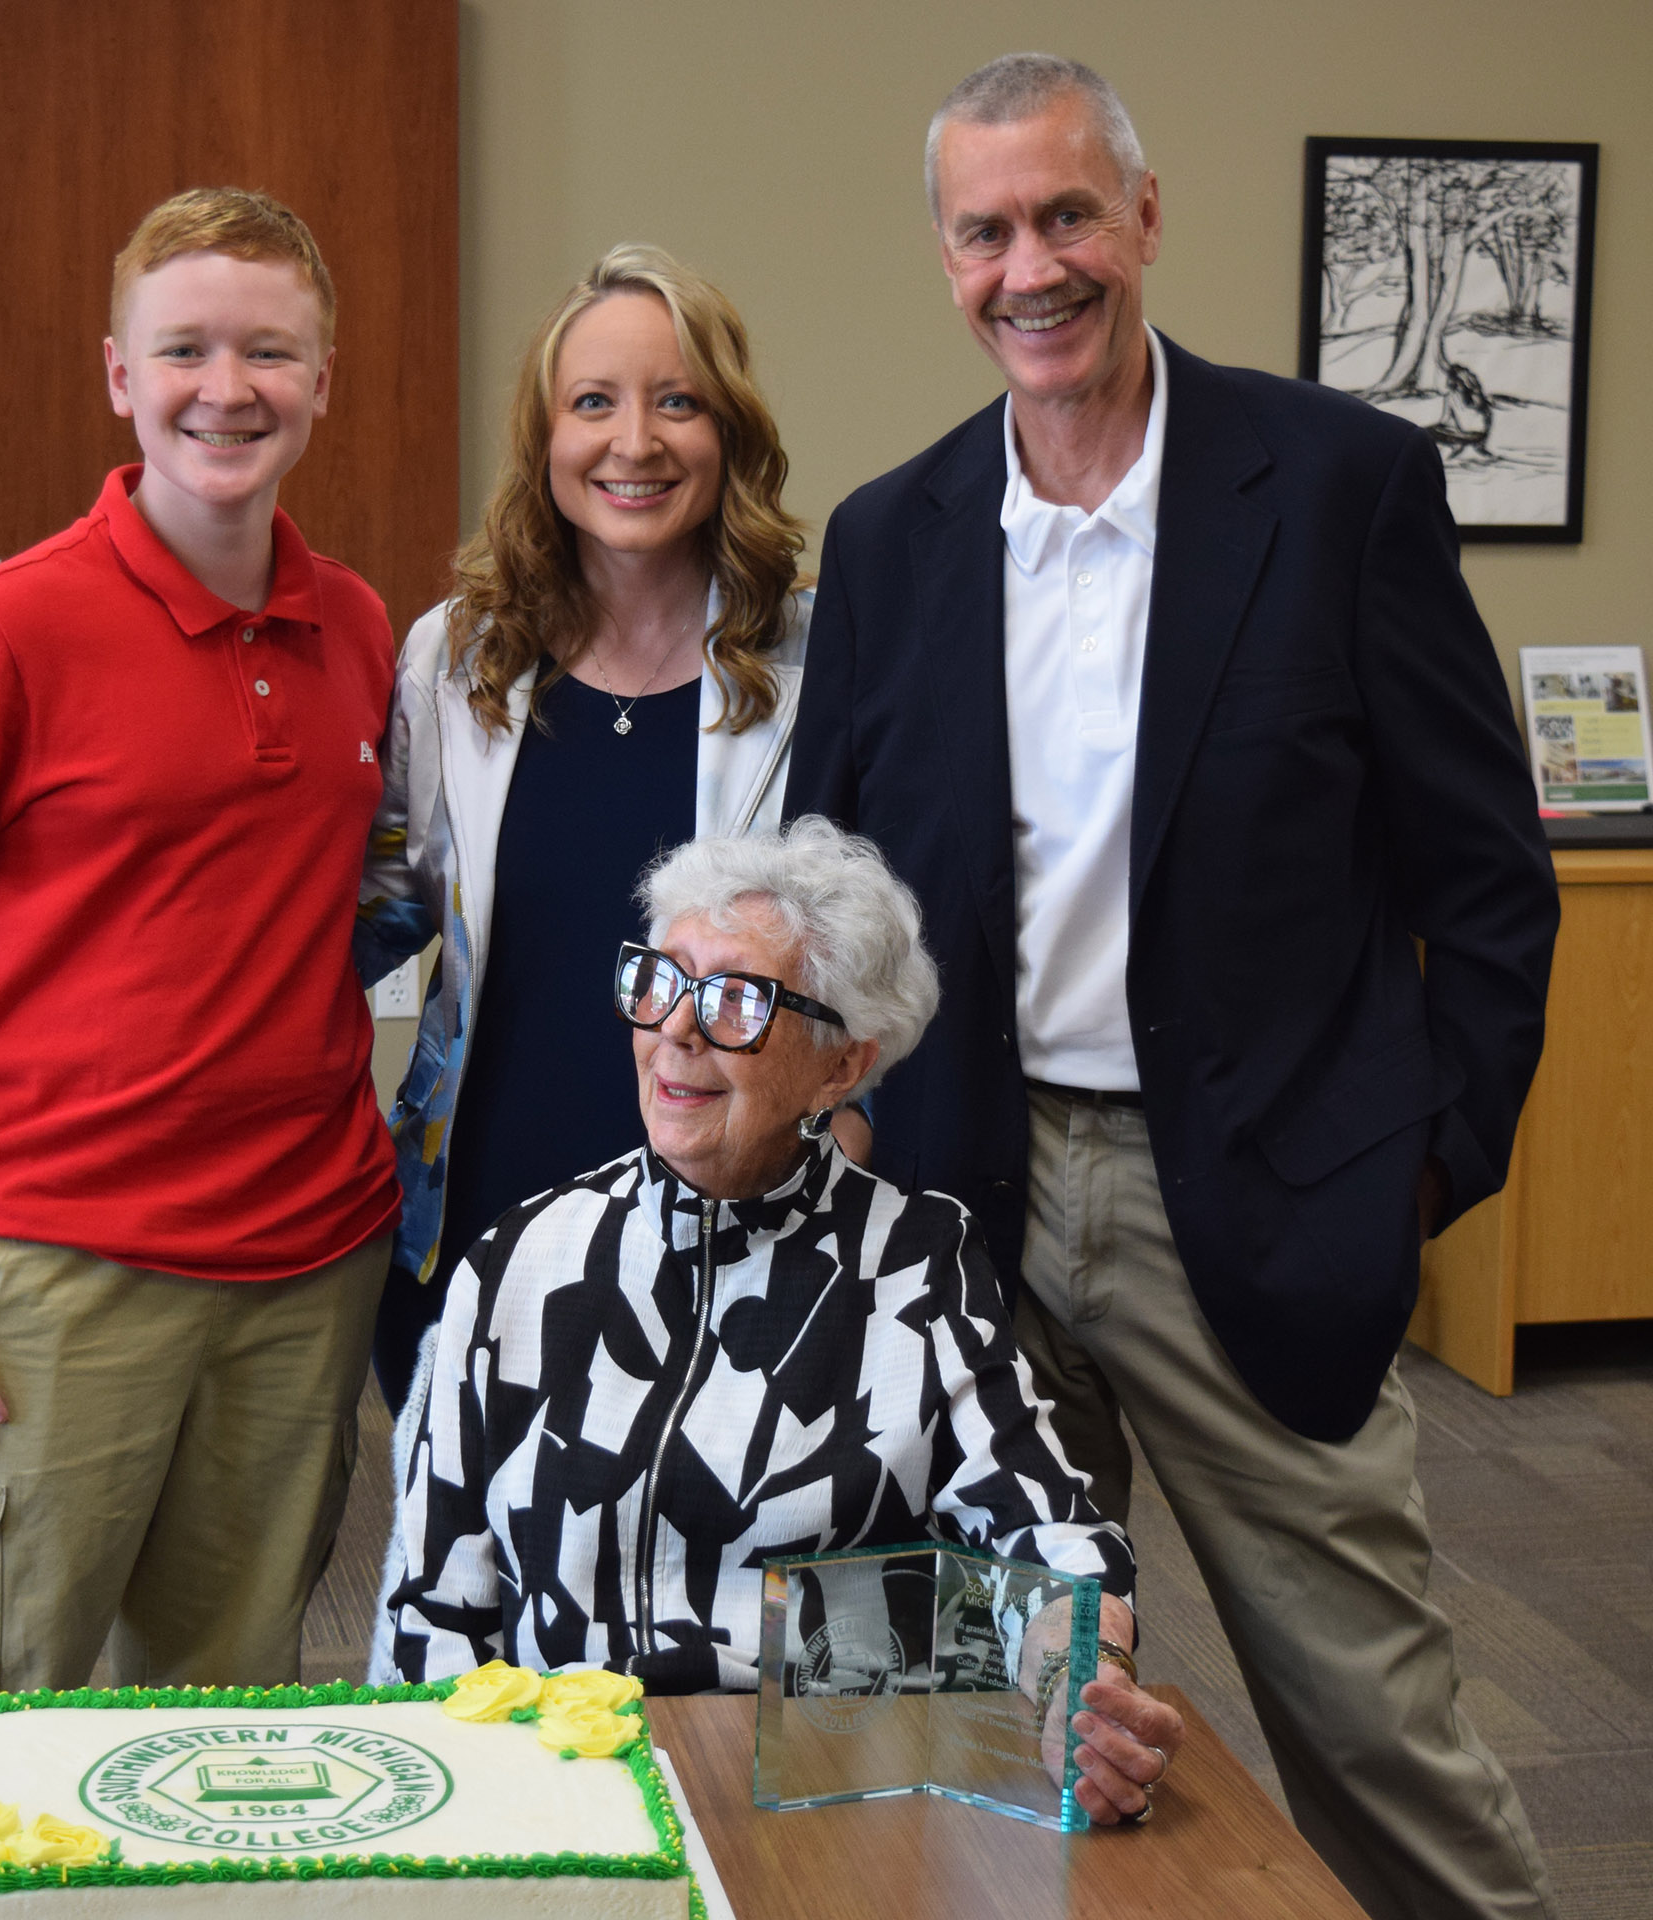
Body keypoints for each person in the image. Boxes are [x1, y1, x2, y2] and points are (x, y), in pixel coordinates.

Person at [783, 52, 1561, 1920]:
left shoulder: (1343, 486)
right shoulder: (894, 539)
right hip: (969, 1197)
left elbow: (1489, 876)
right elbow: (834, 884)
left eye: (1065, 215)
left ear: (1142, 220)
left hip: (1262, 1194)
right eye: (986, 232)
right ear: (946, 258)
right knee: (992, 1713)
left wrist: (1420, 1169)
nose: (1029, 266)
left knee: (1372, 1729)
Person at [0, 188, 400, 1719]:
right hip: (58, 1278)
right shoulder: (9, 632)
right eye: (185, 349)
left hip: (303, 1268)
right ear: (119, 378)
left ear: (324, 380)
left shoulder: (357, 630)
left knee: (223, 1737)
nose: (228, 387)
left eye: (270, 351)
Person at [384, 819, 1185, 1826]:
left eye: (734, 1001)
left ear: (840, 1067)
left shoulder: (915, 1265)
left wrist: (1084, 1672)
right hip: (558, 1792)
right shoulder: (521, 1265)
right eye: (662, 981)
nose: (677, 1028)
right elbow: (429, 1610)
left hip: (822, 1795)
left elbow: (1049, 1533)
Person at [358, 245, 811, 1406]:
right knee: (473, 1567)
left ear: (731, 432)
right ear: (544, 438)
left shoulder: (817, 661)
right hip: (487, 1200)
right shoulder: (455, 657)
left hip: (731, 1213)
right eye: (593, 403)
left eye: (678, 402)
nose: (635, 442)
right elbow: (380, 914)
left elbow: (866, 952)